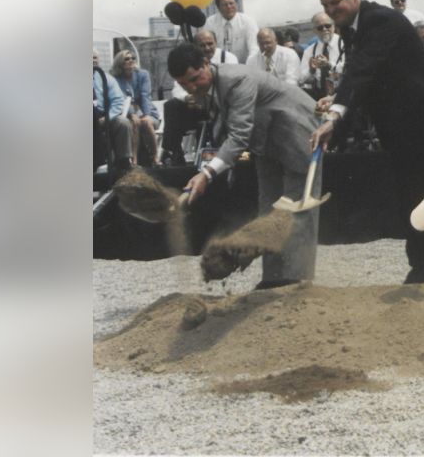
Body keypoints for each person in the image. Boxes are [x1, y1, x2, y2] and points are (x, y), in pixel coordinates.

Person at [309, 0, 424, 284]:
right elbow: (362, 76)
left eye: (336, 3)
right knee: (409, 193)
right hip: (398, 122)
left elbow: (363, 69)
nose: (332, 11)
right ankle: (422, 266)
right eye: (326, 6)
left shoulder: (381, 20)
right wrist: (336, 99)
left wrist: (335, 114)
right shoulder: (352, 27)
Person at [170, 43, 321, 289]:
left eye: (195, 79)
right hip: (264, 142)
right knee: (268, 210)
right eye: (184, 84)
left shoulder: (236, 79)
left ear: (207, 63)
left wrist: (205, 175)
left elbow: (239, 135)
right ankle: (274, 279)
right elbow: (225, 130)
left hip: (298, 132)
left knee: (298, 206)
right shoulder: (208, 86)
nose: (191, 87)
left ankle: (296, 279)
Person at [160, 29, 238, 166]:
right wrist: (188, 98)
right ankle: (174, 152)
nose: (207, 48)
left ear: (216, 42)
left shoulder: (229, 57)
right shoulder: (187, 61)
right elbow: (177, 88)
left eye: (210, 44)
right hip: (197, 105)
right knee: (171, 106)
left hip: (221, 104)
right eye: (202, 45)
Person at [110, 49, 161, 167]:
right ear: (120, 63)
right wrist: (131, 113)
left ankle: (155, 157)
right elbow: (121, 98)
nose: (131, 60)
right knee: (134, 122)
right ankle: (134, 160)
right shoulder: (116, 80)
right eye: (127, 59)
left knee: (147, 122)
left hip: (147, 111)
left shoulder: (143, 74)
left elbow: (145, 95)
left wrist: (147, 114)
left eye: (132, 58)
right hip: (128, 112)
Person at [93, 50, 133, 175]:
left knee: (123, 122)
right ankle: (97, 162)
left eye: (95, 57)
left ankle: (124, 163)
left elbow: (117, 101)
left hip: (103, 116)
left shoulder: (106, 78)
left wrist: (106, 118)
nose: (93, 60)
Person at [203, 0, 260, 65]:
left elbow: (254, 48)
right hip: (218, 67)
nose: (229, 7)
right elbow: (205, 48)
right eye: (225, 5)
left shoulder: (248, 21)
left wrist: (249, 67)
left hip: (243, 66)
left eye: (231, 3)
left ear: (236, 4)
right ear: (218, 7)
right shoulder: (210, 22)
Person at [298, 11, 344, 101]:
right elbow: (301, 79)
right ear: (314, 30)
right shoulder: (310, 51)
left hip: (342, 92)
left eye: (327, 26)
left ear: (334, 25)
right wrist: (311, 70)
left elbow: (350, 68)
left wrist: (329, 65)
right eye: (319, 28)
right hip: (320, 95)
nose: (324, 29)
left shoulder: (344, 44)